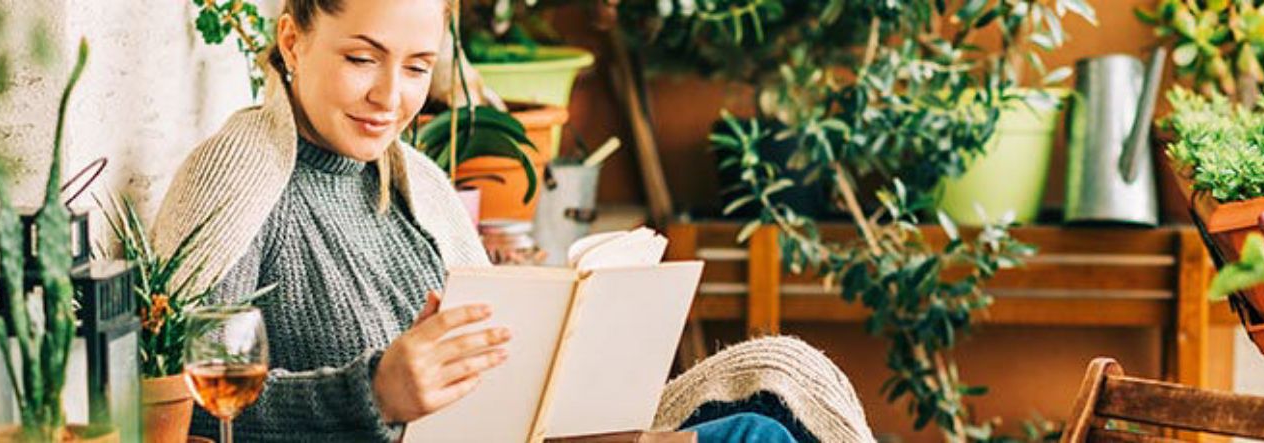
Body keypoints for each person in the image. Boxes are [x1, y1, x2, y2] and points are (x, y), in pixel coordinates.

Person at [150, 0, 872, 441]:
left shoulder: (418, 186)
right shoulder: (241, 174)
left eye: (415, 68)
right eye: (362, 58)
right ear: (293, 40)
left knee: (767, 419)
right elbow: (176, 410)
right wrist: (372, 395)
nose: (388, 96)